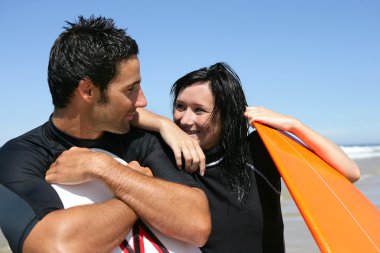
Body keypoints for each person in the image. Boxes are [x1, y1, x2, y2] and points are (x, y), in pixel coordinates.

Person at [0, 16, 211, 253]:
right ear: (87, 90)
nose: (142, 100)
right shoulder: (21, 155)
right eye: (130, 89)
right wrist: (139, 189)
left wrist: (101, 168)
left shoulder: (140, 138)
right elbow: (55, 247)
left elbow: (197, 224)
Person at [131, 62, 361, 252]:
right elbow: (118, 113)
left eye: (199, 110)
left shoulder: (259, 152)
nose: (185, 119)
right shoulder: (162, 151)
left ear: (226, 115)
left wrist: (294, 125)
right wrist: (163, 124)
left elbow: (349, 172)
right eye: (180, 107)